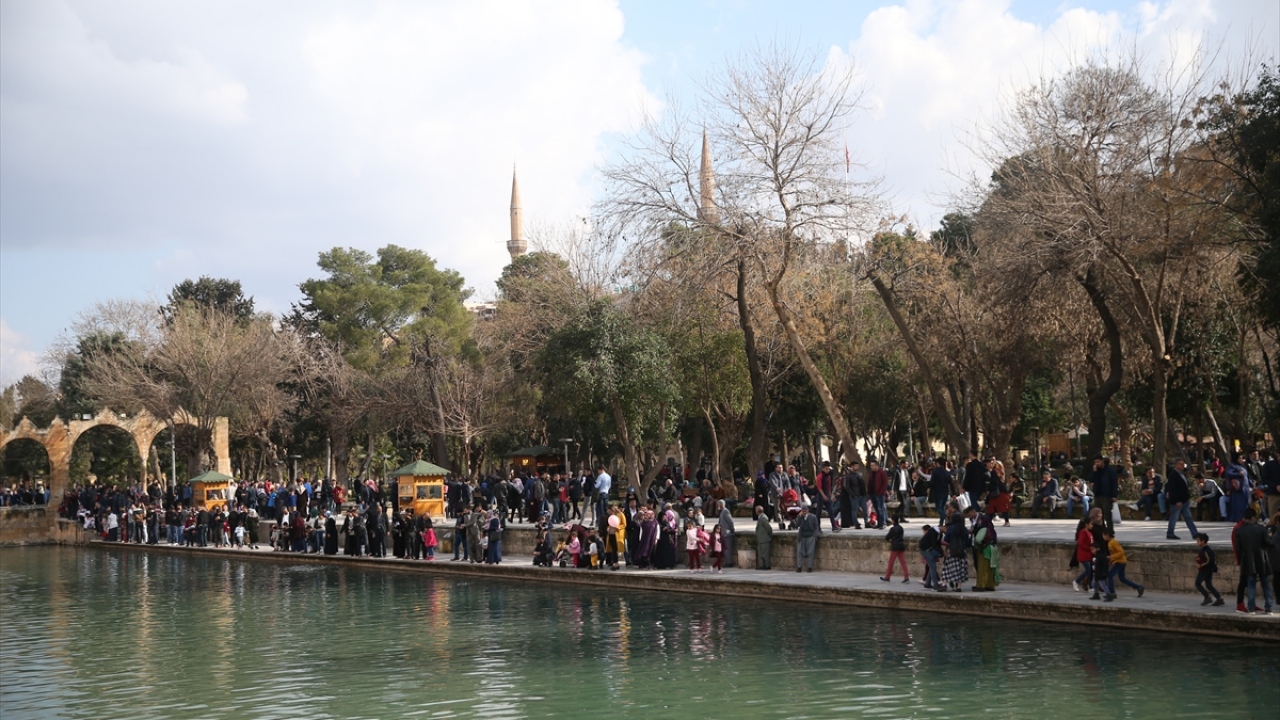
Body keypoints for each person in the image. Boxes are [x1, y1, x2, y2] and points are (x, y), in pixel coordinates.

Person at [1233, 508, 1274, 614]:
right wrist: (1270, 536)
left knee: (1251, 584)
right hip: (1262, 560)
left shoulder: (1240, 531)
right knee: (1265, 584)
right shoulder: (1261, 529)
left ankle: (1251, 607)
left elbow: (1238, 549)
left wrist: (1241, 560)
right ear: (1253, 517)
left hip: (1248, 561)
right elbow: (1269, 543)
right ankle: (1269, 607)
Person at [1103, 529, 1144, 599]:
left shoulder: (1113, 542)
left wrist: (1112, 557)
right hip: (1119, 561)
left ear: (1107, 535)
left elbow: (1121, 552)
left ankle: (1112, 593)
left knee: (1110, 575)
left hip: (1120, 562)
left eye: (1103, 535)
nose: (1103, 537)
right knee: (1122, 579)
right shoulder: (1110, 542)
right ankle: (1139, 587)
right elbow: (1115, 553)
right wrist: (1112, 560)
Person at [1164, 459, 1198, 540]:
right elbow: (1173, 489)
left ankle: (1195, 533)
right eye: (1181, 464)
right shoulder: (1173, 475)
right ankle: (1170, 533)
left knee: (1188, 517)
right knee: (1174, 518)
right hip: (1177, 502)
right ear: (1176, 465)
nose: (1183, 465)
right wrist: (1177, 501)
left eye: (1183, 464)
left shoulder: (1182, 474)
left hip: (1184, 501)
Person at [969, 507, 999, 592]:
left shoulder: (982, 521)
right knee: (989, 567)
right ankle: (989, 585)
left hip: (985, 547)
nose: (969, 516)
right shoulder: (985, 522)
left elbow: (980, 535)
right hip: (991, 546)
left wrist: (973, 530)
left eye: (969, 514)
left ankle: (981, 586)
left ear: (973, 511)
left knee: (982, 566)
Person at [1073, 509, 1100, 592]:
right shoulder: (1083, 532)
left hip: (1089, 555)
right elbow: (1081, 543)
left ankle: (1090, 586)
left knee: (1091, 571)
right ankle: (1076, 581)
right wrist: (1090, 548)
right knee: (1088, 570)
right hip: (1084, 555)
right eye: (1091, 524)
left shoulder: (1090, 533)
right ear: (1086, 524)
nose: (1092, 526)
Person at [1194, 533, 1224, 606]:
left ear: (1203, 541)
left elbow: (1208, 560)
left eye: (1198, 541)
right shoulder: (1206, 549)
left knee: (1197, 583)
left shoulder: (1204, 550)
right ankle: (1218, 598)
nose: (1197, 542)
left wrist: (1200, 565)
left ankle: (1207, 597)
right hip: (1208, 569)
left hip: (1204, 570)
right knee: (1208, 585)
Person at [1090, 456, 1118, 534]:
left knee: (1107, 515)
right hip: (1097, 495)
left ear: (1102, 461)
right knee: (1097, 515)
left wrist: (1114, 495)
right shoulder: (1096, 471)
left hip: (1106, 496)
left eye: (1098, 462)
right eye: (1095, 462)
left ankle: (1110, 531)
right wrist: (1094, 471)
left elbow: (1114, 483)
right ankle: (1101, 531)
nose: (1097, 464)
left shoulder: (1109, 471)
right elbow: (1091, 479)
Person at [880, 516, 908, 583]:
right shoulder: (901, 528)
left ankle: (887, 577)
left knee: (891, 562)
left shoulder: (893, 529)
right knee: (903, 562)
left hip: (895, 547)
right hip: (901, 546)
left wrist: (891, 540)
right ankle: (906, 577)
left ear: (893, 520)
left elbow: (887, 537)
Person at [795, 504, 820, 572]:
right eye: (803, 511)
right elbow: (796, 525)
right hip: (802, 536)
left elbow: (816, 527)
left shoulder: (813, 517)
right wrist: (799, 517)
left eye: (805, 511)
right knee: (800, 552)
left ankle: (810, 567)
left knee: (810, 552)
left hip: (810, 536)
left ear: (808, 511)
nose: (804, 513)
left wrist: (814, 536)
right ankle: (799, 567)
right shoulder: (800, 517)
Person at [919, 523, 943, 590]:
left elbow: (938, 544)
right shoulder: (934, 532)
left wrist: (941, 552)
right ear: (943, 527)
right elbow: (934, 544)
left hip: (928, 549)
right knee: (932, 566)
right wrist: (942, 552)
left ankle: (927, 584)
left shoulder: (939, 533)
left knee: (931, 567)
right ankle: (935, 585)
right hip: (925, 549)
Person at [716, 499, 735, 567]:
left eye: (718, 504)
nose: (717, 506)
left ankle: (729, 563)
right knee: (725, 549)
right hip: (723, 534)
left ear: (721, 505)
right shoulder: (722, 512)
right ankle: (727, 562)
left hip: (727, 534)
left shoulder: (726, 511)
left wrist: (732, 530)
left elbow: (730, 522)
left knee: (727, 549)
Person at [754, 505, 773, 570]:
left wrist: (769, 535)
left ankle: (767, 565)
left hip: (764, 539)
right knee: (761, 553)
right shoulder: (760, 517)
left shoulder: (763, 518)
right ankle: (761, 565)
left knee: (765, 554)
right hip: (760, 539)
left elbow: (768, 528)